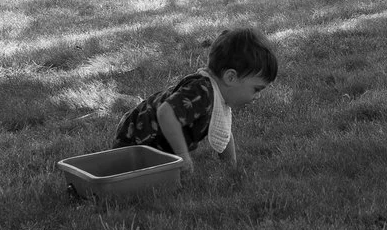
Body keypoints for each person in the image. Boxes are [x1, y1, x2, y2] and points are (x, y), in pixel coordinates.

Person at [111, 26, 281, 175]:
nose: (257, 96)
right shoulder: (202, 91)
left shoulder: (217, 95)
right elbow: (165, 113)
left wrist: (232, 169)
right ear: (231, 77)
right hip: (136, 140)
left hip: (151, 144)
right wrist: (182, 156)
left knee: (170, 176)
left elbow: (224, 132)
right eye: (256, 89)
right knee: (161, 182)